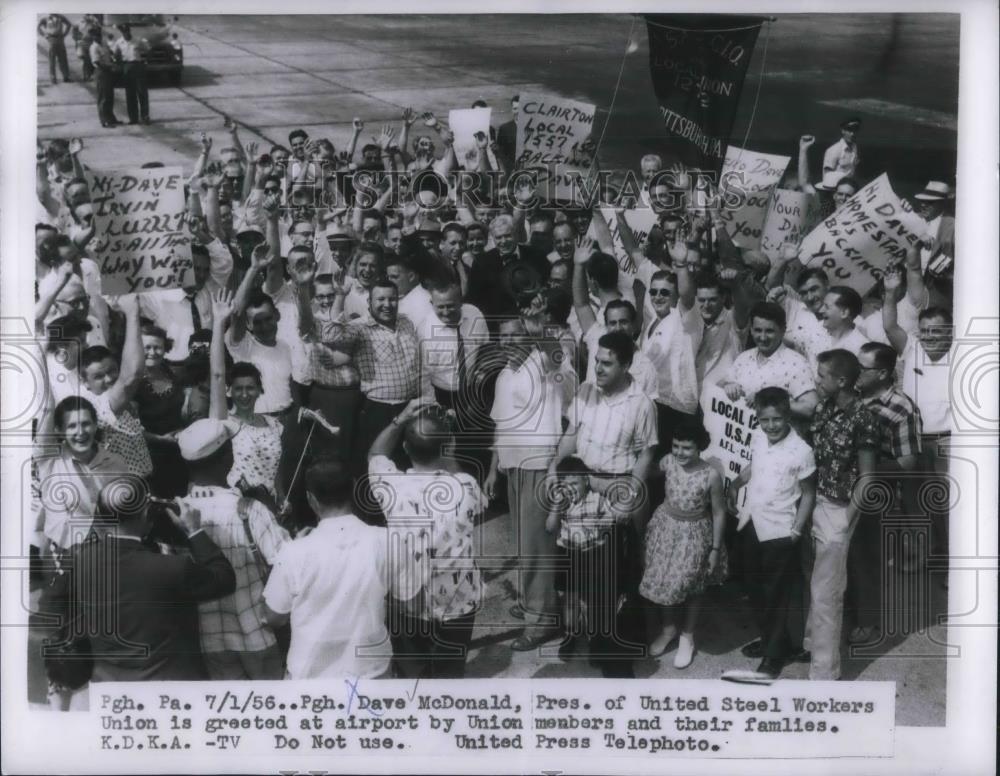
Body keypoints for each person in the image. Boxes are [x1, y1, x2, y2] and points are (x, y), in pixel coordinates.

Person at [46, 477, 236, 688]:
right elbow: (225, 579)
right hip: (174, 690)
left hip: (111, 690)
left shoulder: (78, 561)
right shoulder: (174, 568)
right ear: (147, 514)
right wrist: (194, 531)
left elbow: (54, 605)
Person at [368, 399, 485, 678]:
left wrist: (401, 419)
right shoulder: (467, 485)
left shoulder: (391, 486)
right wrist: (449, 446)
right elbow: (456, 473)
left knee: (411, 676)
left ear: (405, 449)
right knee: (450, 676)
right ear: (448, 447)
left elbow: (375, 453)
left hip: (408, 601)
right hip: (458, 602)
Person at [486, 315, 576, 650]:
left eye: (516, 335)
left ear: (529, 337)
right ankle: (534, 604)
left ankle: (539, 624)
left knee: (537, 548)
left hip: (540, 465)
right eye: (503, 336)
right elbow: (500, 424)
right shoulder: (504, 374)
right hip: (513, 467)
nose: (508, 341)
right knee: (525, 544)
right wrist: (493, 468)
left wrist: (545, 338)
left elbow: (560, 365)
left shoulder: (543, 364)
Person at [177, 417, 290, 680]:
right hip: (258, 634)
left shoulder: (178, 514)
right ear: (227, 457)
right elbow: (286, 565)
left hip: (209, 638)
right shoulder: (249, 510)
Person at [263, 458, 391, 679]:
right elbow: (406, 597)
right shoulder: (385, 540)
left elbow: (274, 618)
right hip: (371, 672)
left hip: (310, 676)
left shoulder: (293, 552)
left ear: (311, 499)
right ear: (353, 488)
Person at [730, 388, 817, 679]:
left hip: (781, 530)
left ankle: (773, 655)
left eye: (777, 419)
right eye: (764, 420)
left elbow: (808, 493)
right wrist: (735, 484)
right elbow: (754, 466)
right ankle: (773, 640)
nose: (771, 426)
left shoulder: (801, 451)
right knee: (754, 589)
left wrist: (796, 530)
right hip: (752, 522)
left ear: (787, 416)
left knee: (776, 595)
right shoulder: (758, 437)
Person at [805, 349, 880, 680]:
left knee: (827, 593)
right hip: (814, 503)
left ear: (842, 380)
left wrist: (846, 521)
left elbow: (867, 479)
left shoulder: (864, 418)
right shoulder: (823, 408)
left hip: (839, 510)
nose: (816, 380)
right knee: (816, 585)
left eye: (822, 376)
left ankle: (823, 675)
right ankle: (812, 645)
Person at [849, 341, 923, 643]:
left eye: (862, 368)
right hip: (841, 488)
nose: (855, 371)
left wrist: (862, 473)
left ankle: (868, 622)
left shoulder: (902, 408)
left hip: (876, 493)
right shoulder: (852, 395)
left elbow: (907, 463)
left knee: (866, 556)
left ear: (881, 373)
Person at [640, 421, 727, 669]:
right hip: (665, 528)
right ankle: (668, 630)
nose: (680, 452)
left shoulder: (710, 475)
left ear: (699, 448)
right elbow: (652, 470)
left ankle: (687, 636)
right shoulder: (668, 461)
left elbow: (719, 513)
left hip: (694, 535)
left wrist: (715, 549)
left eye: (687, 448)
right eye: (676, 446)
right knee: (663, 581)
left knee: (692, 585)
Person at [545, 456, 629, 664]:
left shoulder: (598, 499)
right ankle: (570, 635)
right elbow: (549, 528)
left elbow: (612, 521)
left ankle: (594, 638)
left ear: (586, 481)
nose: (570, 488)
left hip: (593, 554)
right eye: (565, 485)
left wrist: (600, 524)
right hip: (568, 553)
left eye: (575, 483)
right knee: (570, 598)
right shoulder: (561, 502)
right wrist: (556, 506)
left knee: (592, 600)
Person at [719, 301, 818, 421]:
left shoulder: (797, 364)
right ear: (751, 330)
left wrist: (770, 401)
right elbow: (720, 385)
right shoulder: (744, 358)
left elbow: (810, 407)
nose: (763, 337)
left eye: (770, 331)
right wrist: (728, 386)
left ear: (783, 330)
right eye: (758, 330)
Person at [133, 323, 188, 497]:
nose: (152, 352)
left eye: (157, 347)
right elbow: (129, 427)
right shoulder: (133, 382)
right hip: (147, 457)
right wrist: (161, 439)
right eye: (146, 347)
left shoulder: (174, 376)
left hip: (178, 454)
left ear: (165, 349)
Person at [111, 24, 151, 125]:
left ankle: (145, 116)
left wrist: (145, 60)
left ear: (130, 31)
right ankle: (133, 118)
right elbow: (114, 54)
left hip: (138, 66)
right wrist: (119, 64)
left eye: (127, 31)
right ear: (122, 32)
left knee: (142, 92)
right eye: (124, 32)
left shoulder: (137, 40)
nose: (126, 33)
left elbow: (148, 49)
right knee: (130, 94)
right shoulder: (119, 42)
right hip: (127, 67)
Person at [88, 29, 119, 128]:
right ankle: (104, 120)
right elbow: (97, 62)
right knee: (103, 97)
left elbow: (110, 53)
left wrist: (114, 58)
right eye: (95, 35)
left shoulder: (104, 44)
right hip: (101, 72)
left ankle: (111, 118)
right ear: (92, 37)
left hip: (108, 72)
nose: (98, 37)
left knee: (110, 96)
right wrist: (110, 67)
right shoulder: (94, 47)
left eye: (99, 35)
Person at [38, 14, 72, 84]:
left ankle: (66, 76)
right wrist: (44, 35)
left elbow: (68, 24)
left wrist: (65, 34)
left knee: (63, 58)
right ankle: (53, 78)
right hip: (51, 39)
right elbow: (38, 27)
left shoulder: (61, 17)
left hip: (60, 38)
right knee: (52, 59)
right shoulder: (45, 18)